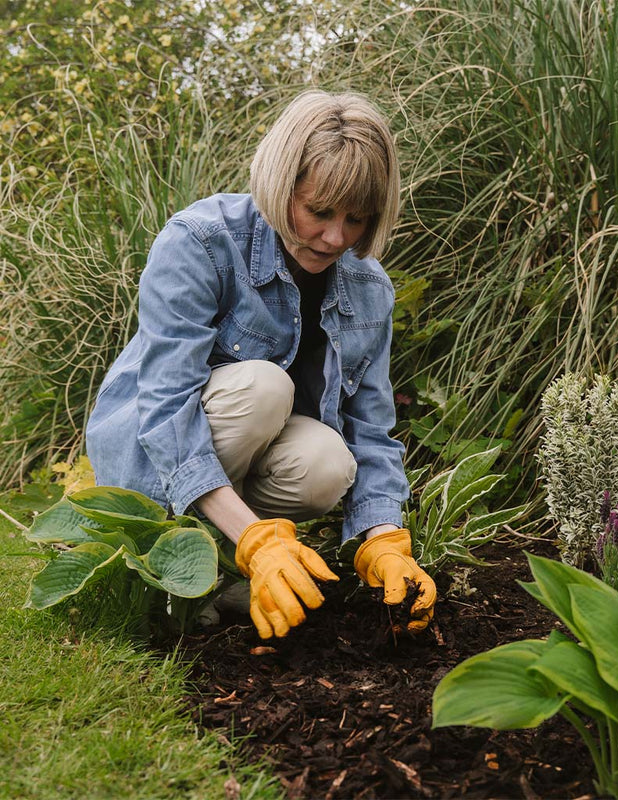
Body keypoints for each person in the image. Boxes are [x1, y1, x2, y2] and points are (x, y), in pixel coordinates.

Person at [86, 90, 436, 639]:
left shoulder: (369, 290)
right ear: (280, 184)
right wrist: (260, 540)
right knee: (265, 387)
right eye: (318, 211)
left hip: (238, 467)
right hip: (148, 459)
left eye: (357, 219)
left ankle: (221, 564)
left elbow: (370, 428)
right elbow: (166, 405)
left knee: (329, 460)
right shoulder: (200, 242)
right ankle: (164, 559)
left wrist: (383, 537)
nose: (335, 237)